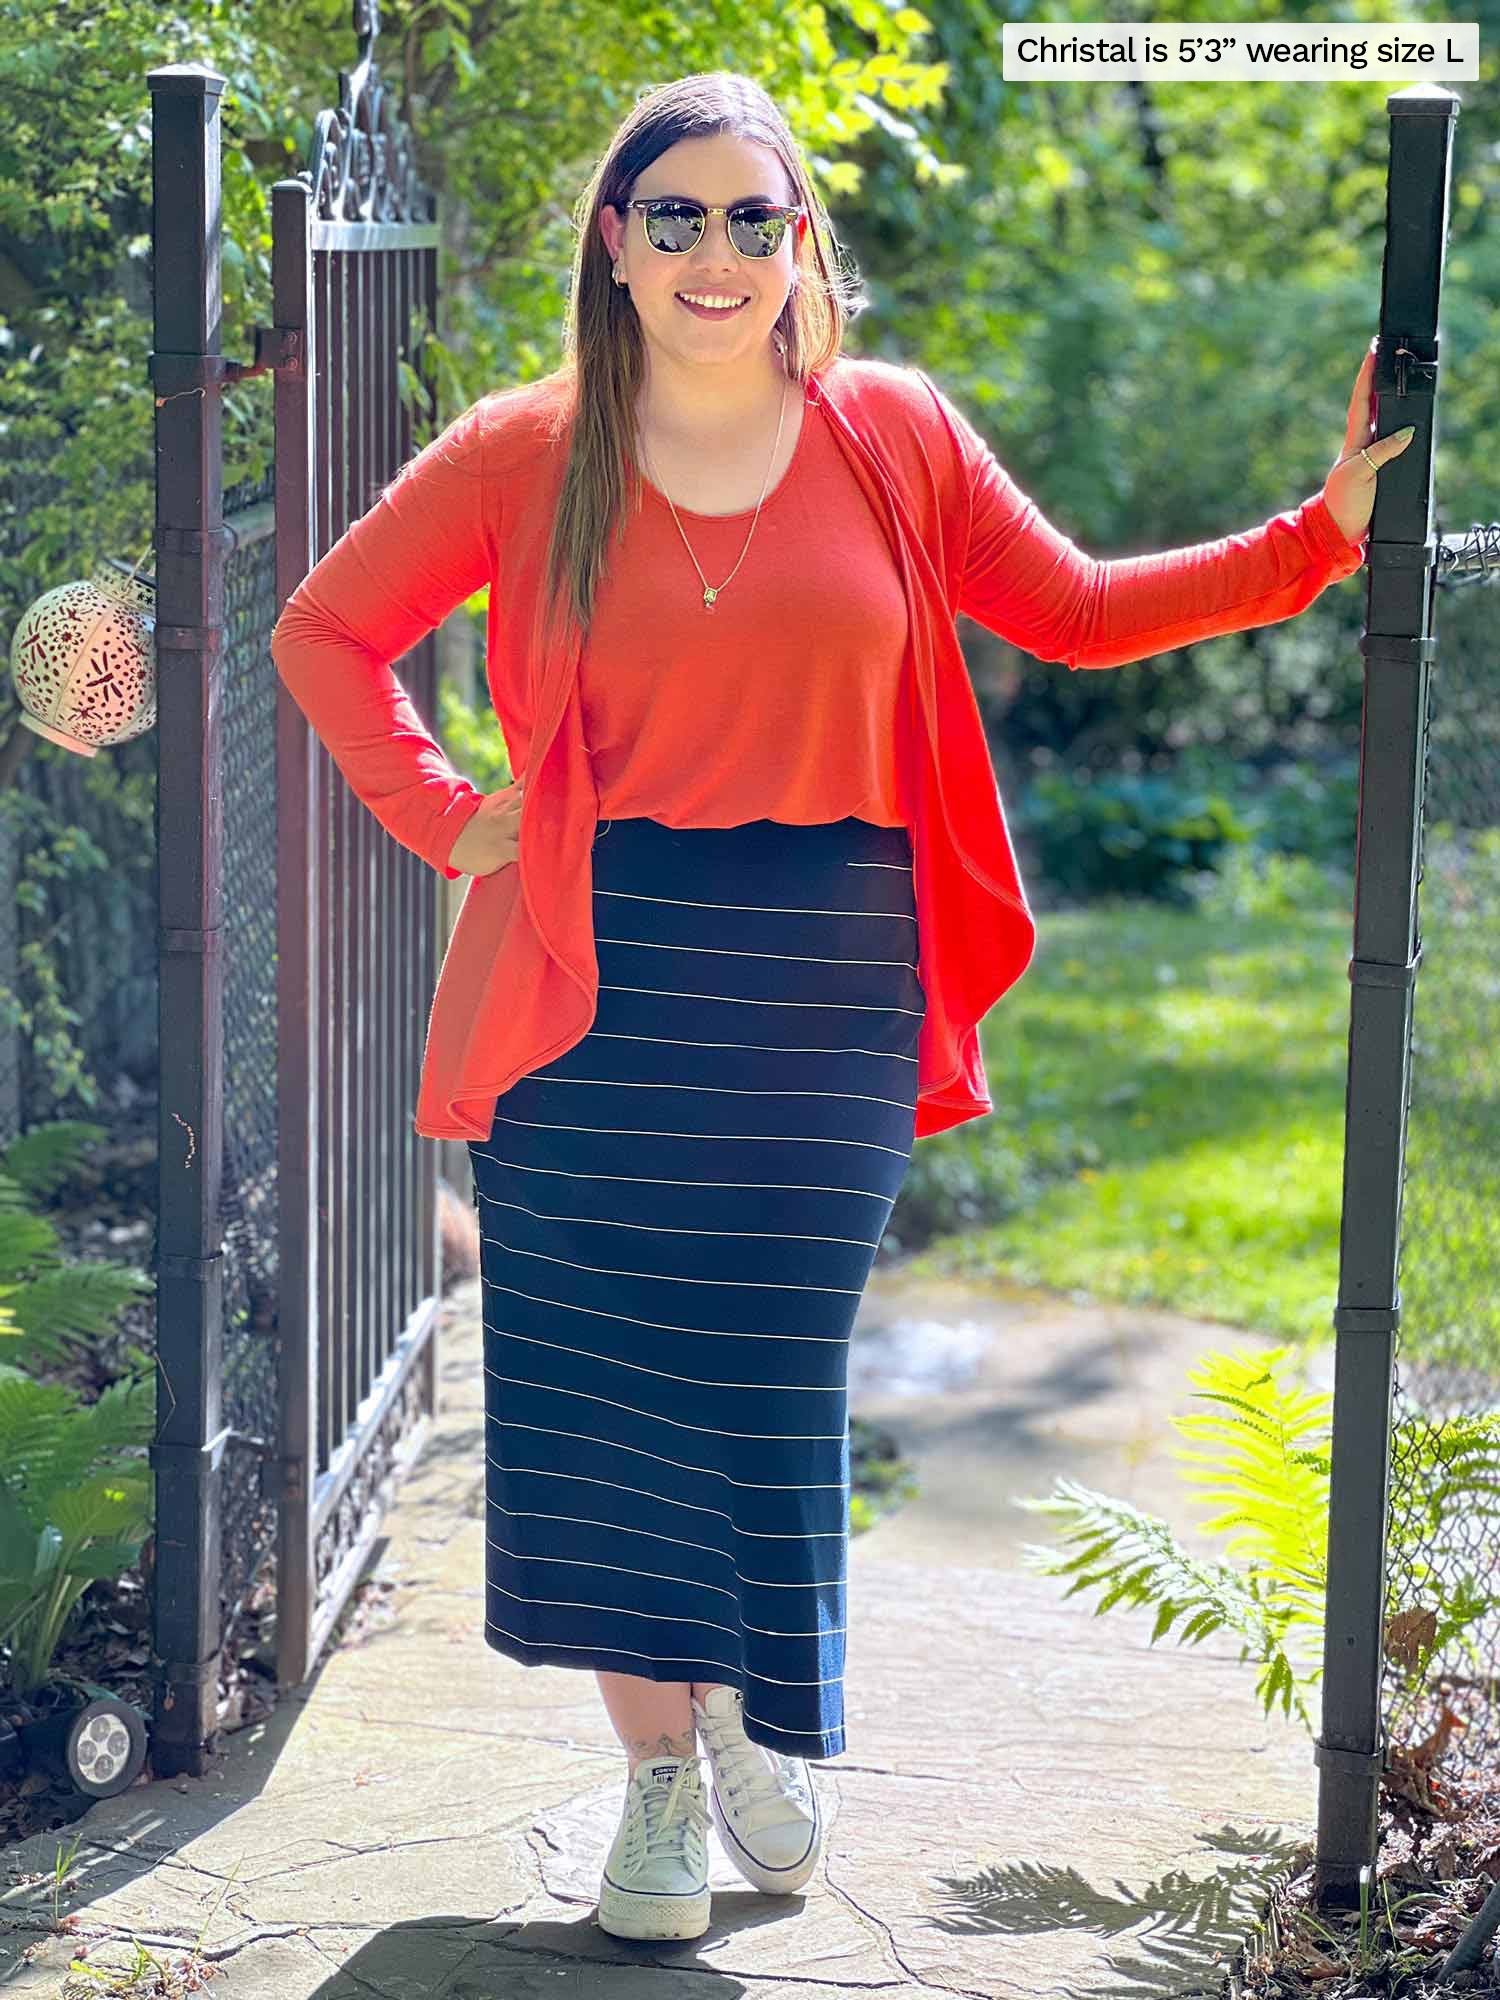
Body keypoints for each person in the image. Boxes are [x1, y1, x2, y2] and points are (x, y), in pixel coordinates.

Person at [270, 68, 1411, 1947]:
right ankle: (659, 1774)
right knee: (606, 1396)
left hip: (828, 976)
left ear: (800, 243)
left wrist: (1318, 534)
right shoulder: (516, 452)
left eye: (749, 218)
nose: (714, 254)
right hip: (593, 977)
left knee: (770, 1378)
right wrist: (446, 817)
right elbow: (325, 627)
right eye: (674, 218)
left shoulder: (893, 434)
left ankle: (751, 1716)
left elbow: (1084, 610)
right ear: (615, 248)